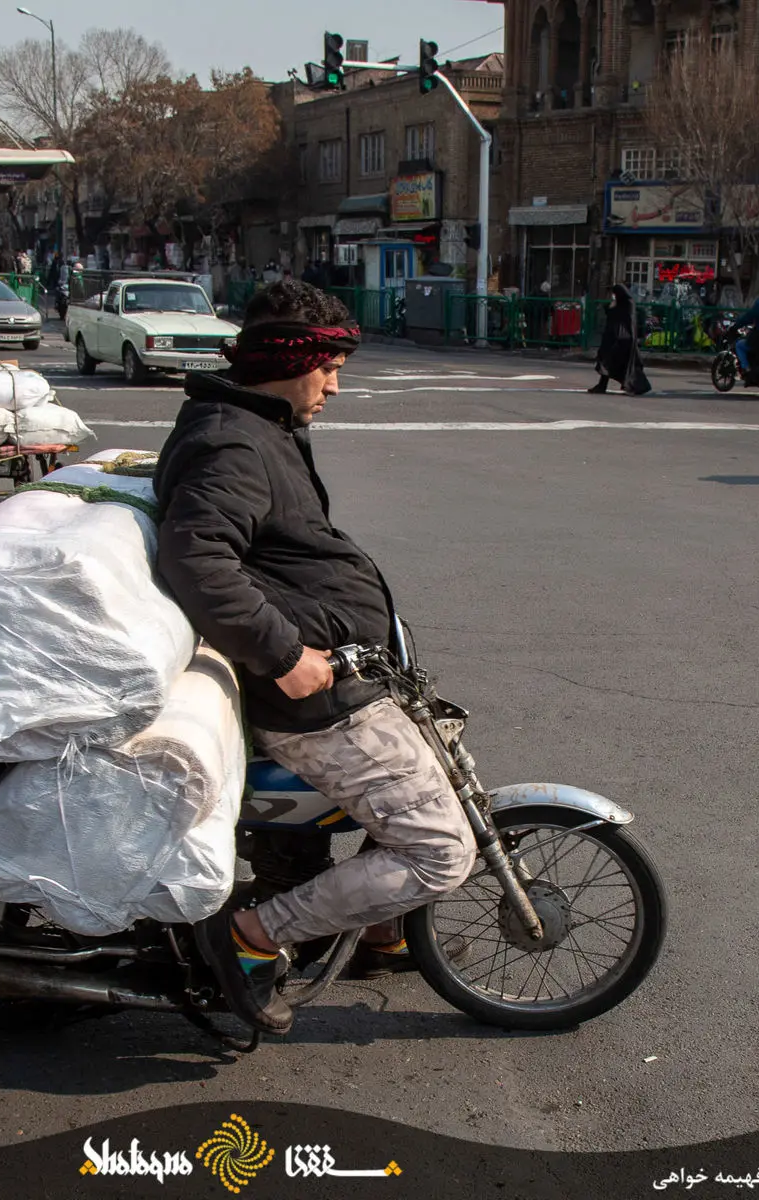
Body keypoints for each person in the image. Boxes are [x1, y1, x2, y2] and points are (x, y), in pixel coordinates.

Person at [153, 280, 477, 1034]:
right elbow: (197, 555)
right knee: (440, 852)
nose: (335, 384)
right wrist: (284, 654)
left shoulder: (260, 422)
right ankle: (249, 938)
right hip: (312, 699)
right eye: (326, 366)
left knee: (444, 741)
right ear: (285, 360)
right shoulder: (233, 439)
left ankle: (376, 927)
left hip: (342, 674)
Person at [588, 284, 651, 395]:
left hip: (624, 340)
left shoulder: (628, 304)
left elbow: (628, 322)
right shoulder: (620, 303)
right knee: (607, 362)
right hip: (616, 339)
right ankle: (602, 385)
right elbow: (611, 316)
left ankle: (639, 386)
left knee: (625, 365)